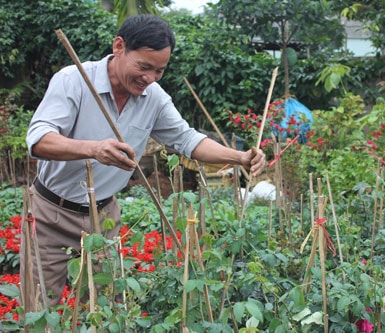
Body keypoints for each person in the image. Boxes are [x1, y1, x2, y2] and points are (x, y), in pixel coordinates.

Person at [21, 14, 266, 309]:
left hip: (103, 216)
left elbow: (188, 140)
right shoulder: (74, 80)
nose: (149, 78)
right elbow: (38, 140)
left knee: (106, 311)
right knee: (38, 307)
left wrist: (238, 157)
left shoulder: (154, 98)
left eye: (159, 71)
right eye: (144, 67)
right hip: (51, 214)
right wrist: (93, 149)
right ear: (120, 46)